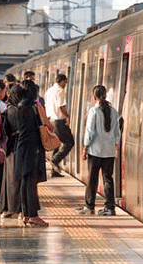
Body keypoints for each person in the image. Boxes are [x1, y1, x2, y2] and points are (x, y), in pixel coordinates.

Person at [6, 80, 48, 226]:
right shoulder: (32, 108)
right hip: (32, 148)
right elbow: (40, 127)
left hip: (21, 148)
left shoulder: (18, 107)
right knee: (31, 183)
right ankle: (33, 216)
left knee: (24, 182)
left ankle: (25, 214)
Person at [77, 85, 121, 216]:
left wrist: (85, 148)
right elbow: (117, 131)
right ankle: (110, 207)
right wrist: (116, 145)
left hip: (95, 151)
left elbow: (90, 131)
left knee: (92, 179)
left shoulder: (94, 111)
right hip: (109, 151)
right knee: (108, 178)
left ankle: (89, 206)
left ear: (94, 97)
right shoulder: (114, 111)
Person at [0, 83, 23, 219]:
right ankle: (19, 209)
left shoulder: (7, 111)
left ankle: (7, 209)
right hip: (21, 147)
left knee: (8, 179)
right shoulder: (24, 111)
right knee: (19, 179)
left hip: (9, 149)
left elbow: (4, 131)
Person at [44, 74, 74, 177]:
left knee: (57, 143)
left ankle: (54, 170)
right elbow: (61, 107)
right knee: (69, 142)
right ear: (61, 81)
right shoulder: (60, 91)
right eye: (65, 82)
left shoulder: (48, 91)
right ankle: (55, 159)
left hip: (51, 121)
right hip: (59, 121)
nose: (65, 84)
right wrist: (67, 116)